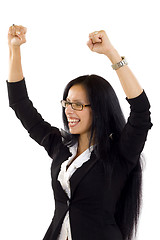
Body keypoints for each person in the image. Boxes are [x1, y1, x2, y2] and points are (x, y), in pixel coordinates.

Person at [7, 25, 152, 240]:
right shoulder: (61, 147)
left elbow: (140, 112)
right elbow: (20, 103)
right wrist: (14, 50)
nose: (68, 110)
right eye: (67, 102)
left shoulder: (120, 152)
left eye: (77, 105)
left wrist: (112, 54)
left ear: (99, 109)